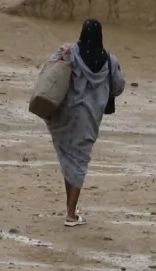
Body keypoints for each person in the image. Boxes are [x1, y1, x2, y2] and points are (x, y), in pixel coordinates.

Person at [45, 19, 126, 227]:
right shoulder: (110, 60)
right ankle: (71, 214)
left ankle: (70, 207)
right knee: (79, 162)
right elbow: (118, 86)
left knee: (67, 158)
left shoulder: (70, 51)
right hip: (89, 119)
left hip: (64, 116)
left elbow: (50, 68)